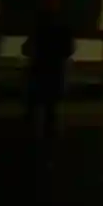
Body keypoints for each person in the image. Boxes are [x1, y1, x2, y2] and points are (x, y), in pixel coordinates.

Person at [23, 9, 75, 139]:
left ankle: (33, 132)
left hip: (40, 69)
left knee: (36, 103)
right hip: (55, 70)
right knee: (50, 106)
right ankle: (49, 133)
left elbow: (26, 49)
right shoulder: (64, 32)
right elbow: (69, 50)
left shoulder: (40, 31)